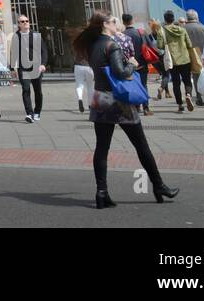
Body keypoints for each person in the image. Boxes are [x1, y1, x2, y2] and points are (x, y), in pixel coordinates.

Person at [76, 13, 178, 208]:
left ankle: (101, 192)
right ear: (105, 25)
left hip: (100, 97)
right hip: (118, 100)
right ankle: (159, 186)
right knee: (141, 145)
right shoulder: (111, 45)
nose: (117, 24)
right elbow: (120, 72)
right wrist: (131, 65)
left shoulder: (92, 45)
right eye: (114, 22)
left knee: (102, 148)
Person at [8, 14, 47, 122]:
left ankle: (37, 112)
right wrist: (12, 69)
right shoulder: (16, 36)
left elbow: (44, 51)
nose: (25, 22)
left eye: (27, 21)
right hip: (23, 67)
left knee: (37, 90)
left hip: (36, 67)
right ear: (19, 24)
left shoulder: (35, 35)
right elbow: (14, 53)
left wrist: (43, 64)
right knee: (26, 89)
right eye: (22, 21)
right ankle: (29, 114)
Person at [160, 11, 195, 113]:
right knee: (187, 80)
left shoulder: (163, 31)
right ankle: (188, 95)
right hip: (185, 59)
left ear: (165, 19)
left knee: (176, 83)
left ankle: (180, 105)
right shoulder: (182, 30)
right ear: (173, 18)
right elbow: (189, 44)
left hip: (172, 61)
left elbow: (160, 45)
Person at [121, 14, 154, 116]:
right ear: (132, 21)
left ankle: (136, 107)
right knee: (143, 85)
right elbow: (150, 45)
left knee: (132, 85)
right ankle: (146, 108)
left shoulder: (122, 34)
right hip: (142, 63)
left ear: (123, 22)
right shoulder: (141, 32)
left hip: (128, 65)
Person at [183, 10, 204, 107]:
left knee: (196, 77)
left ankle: (199, 98)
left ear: (187, 18)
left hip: (190, 56)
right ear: (197, 17)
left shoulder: (183, 29)